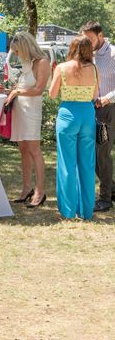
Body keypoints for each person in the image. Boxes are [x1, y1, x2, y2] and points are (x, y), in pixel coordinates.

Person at [48, 35, 98, 220]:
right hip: (87, 114)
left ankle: (68, 210)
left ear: (72, 48)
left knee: (67, 163)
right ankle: (86, 210)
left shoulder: (62, 68)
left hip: (68, 114)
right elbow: (94, 95)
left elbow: (52, 94)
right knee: (87, 164)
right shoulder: (93, 69)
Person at [6, 32, 50, 208]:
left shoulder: (43, 62)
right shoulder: (26, 64)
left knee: (34, 150)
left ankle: (40, 192)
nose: (16, 55)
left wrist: (17, 92)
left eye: (17, 51)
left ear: (25, 48)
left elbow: (39, 89)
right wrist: (11, 90)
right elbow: (23, 87)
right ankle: (26, 189)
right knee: (23, 150)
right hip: (20, 110)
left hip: (31, 111)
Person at [80, 21, 115, 212]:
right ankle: (112, 189)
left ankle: (105, 200)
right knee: (92, 154)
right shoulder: (89, 56)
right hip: (91, 110)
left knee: (102, 152)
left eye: (90, 38)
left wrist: (106, 99)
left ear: (100, 35)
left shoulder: (113, 54)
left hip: (109, 111)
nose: (87, 41)